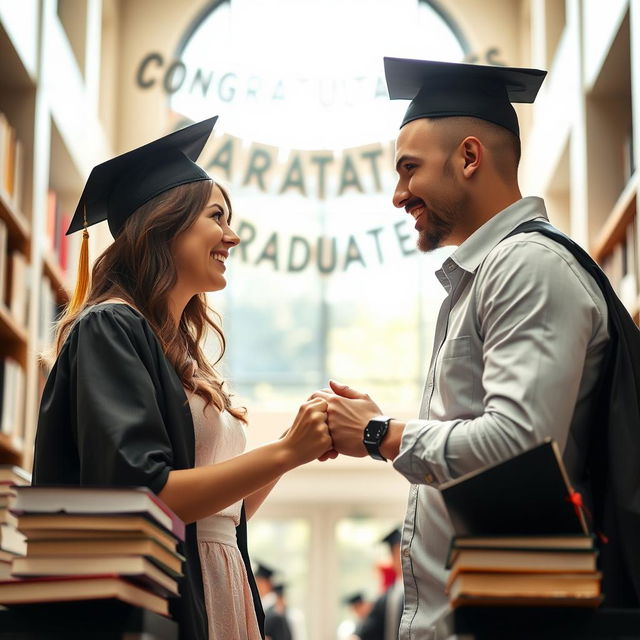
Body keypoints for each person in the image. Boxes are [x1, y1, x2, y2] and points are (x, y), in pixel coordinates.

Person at [311, 57, 625, 638]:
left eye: (409, 169)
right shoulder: (486, 275)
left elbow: (519, 446)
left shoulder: (526, 266)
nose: (398, 194)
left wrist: (380, 433)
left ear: (469, 157)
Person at [32, 116, 333, 640]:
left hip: (217, 583)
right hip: (163, 602)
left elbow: (223, 516)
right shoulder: (109, 326)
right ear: (164, 224)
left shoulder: (180, 355)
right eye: (217, 216)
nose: (232, 236)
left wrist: (294, 447)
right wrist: (284, 452)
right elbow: (145, 496)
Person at [357, 528, 403, 640]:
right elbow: (370, 626)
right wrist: (356, 636)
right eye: (399, 553)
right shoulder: (386, 597)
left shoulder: (424, 590)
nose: (404, 558)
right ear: (392, 556)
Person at [255, 562, 292, 640]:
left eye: (258, 582)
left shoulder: (276, 613)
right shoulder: (262, 607)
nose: (255, 586)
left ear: (266, 584)